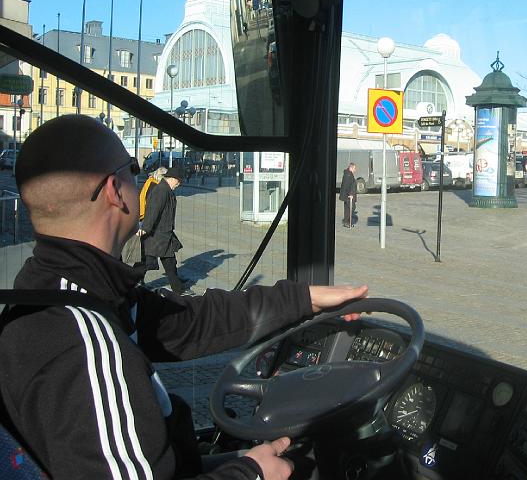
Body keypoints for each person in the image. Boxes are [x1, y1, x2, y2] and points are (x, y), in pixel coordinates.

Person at [0, 114, 369, 480]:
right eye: (132, 168)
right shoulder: (85, 346)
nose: (139, 178)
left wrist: (303, 298)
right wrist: (250, 474)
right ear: (114, 190)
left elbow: (186, 322)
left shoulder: (61, 289)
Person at [140, 165, 192, 295]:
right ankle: (130, 283)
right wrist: (145, 228)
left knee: (169, 263)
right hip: (157, 234)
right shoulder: (161, 190)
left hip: (164, 233)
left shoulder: (165, 189)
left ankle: (178, 289)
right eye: (179, 181)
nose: (179, 184)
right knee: (146, 263)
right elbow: (152, 211)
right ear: (173, 179)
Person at [339, 162, 357, 228]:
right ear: (351, 168)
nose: (355, 170)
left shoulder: (349, 174)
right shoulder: (348, 175)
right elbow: (346, 186)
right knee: (351, 208)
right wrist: (350, 194)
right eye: (354, 168)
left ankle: (346, 222)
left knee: (348, 208)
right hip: (348, 195)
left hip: (347, 195)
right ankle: (346, 221)